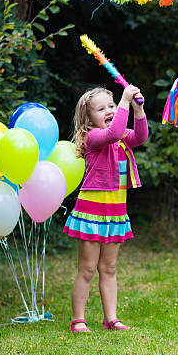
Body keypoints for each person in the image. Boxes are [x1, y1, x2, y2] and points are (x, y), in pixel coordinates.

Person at [65, 85, 148, 332]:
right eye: (101, 109)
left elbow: (141, 137)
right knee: (87, 268)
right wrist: (124, 100)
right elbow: (113, 132)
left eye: (111, 106)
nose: (109, 110)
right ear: (88, 119)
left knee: (109, 268)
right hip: (91, 214)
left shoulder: (121, 137)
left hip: (115, 214)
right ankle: (78, 320)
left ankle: (111, 319)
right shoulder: (93, 138)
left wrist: (138, 109)